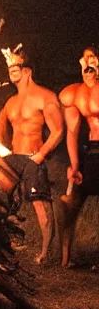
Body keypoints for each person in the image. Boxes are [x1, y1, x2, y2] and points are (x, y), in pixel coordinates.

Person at [0, 45, 63, 264]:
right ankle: (1, 241)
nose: (11, 69)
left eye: (16, 65)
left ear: (28, 71)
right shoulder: (11, 102)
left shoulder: (45, 97)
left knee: (40, 207)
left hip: (34, 157)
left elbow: (58, 131)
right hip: (14, 157)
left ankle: (45, 253)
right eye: (9, 66)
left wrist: (40, 156)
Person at [58, 46, 99, 268]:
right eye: (84, 59)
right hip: (92, 149)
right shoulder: (73, 93)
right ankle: (66, 257)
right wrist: (74, 164)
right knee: (72, 200)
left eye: (93, 58)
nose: (88, 62)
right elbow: (72, 131)